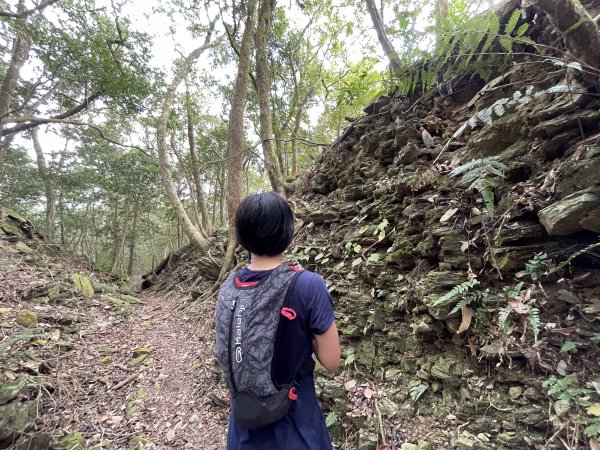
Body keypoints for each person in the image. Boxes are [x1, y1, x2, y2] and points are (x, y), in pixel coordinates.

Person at [216, 191, 341, 450]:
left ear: (241, 236)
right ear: (288, 231)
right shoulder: (308, 285)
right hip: (296, 427)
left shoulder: (229, 286)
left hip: (244, 427)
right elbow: (331, 362)